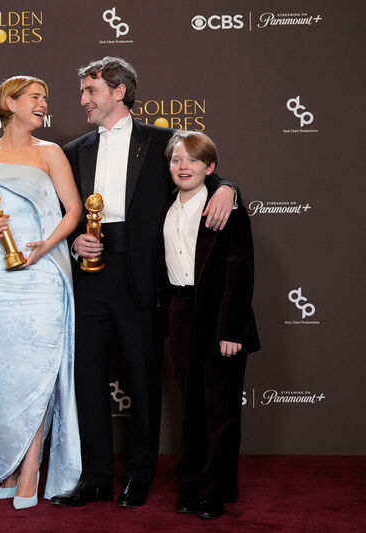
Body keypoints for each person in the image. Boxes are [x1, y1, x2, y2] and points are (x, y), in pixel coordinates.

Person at [51, 57, 236, 509]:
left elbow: (199, 167)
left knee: (143, 380)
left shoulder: (160, 142)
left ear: (119, 92)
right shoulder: (74, 149)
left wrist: (229, 187)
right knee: (87, 379)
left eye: (90, 91)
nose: (83, 101)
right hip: (90, 277)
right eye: (82, 92)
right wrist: (77, 242)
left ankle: (139, 475)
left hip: (143, 281)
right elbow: (62, 213)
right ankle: (94, 476)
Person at [0, 76, 83, 510]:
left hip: (42, 273)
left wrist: (46, 246)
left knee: (38, 372)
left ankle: (32, 468)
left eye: (45, 99)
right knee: (2, 376)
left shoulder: (50, 152)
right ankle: (12, 464)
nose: (43, 104)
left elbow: (73, 209)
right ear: (10, 102)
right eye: (36, 97)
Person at [161, 131, 259, 520]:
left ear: (210, 168)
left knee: (220, 410)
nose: (183, 166)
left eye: (193, 160)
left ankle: (214, 491)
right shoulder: (165, 206)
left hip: (219, 315)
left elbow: (241, 271)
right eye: (176, 160)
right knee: (191, 408)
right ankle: (190, 486)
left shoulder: (223, 205)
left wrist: (232, 330)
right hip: (179, 310)